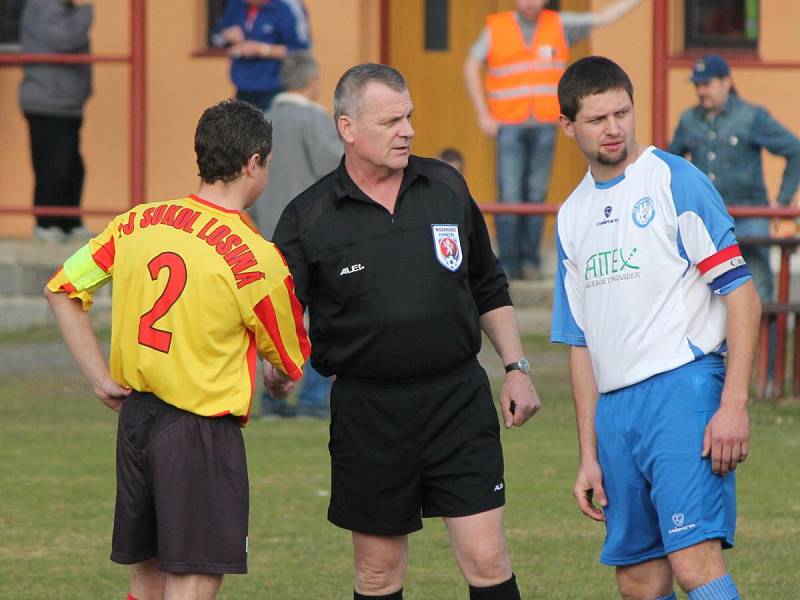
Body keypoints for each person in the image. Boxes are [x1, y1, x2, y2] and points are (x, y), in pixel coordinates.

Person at [273, 63, 541, 599]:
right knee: (378, 574)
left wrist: (516, 369)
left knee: (488, 560)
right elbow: (280, 314)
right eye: (391, 120)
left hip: (457, 400)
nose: (408, 130)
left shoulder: (444, 186)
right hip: (369, 414)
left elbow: (488, 284)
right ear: (348, 128)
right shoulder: (309, 217)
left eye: (409, 117)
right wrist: (276, 368)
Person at [44, 99, 310, 600]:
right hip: (200, 430)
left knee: (145, 578)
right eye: (267, 164)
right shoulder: (256, 258)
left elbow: (61, 289)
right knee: (191, 579)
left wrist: (100, 377)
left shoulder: (137, 222)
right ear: (254, 162)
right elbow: (290, 360)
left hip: (138, 421)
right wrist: (276, 379)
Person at [551, 56, 760, 600]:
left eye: (622, 112)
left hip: (682, 391)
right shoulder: (570, 216)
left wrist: (733, 403)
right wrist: (588, 453)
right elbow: (579, 343)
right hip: (616, 412)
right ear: (568, 125)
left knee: (695, 562)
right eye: (597, 119)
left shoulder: (674, 179)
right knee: (639, 579)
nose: (614, 127)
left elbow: (742, 295)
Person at [463, 0, 642, 280]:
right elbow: (471, 64)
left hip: (546, 123)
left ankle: (530, 262)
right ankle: (507, 264)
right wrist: (482, 113)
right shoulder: (497, 27)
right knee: (510, 194)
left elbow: (604, 18)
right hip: (509, 123)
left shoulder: (558, 24)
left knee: (536, 192)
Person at [668, 54, 800, 314]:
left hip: (750, 216)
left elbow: (795, 149)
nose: (701, 91)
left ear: (726, 82)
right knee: (705, 297)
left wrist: (781, 201)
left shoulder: (751, 116)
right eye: (697, 85)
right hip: (707, 220)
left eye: (707, 84)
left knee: (759, 295)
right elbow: (671, 165)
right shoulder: (688, 120)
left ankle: (766, 357)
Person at [254, 51, 342, 418]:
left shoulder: (263, 121)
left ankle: (272, 398)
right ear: (311, 81)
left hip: (267, 230)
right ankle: (312, 397)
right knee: (325, 313)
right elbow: (335, 166)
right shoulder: (314, 120)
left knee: (277, 317)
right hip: (313, 232)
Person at [19, 0, 94, 243]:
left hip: (66, 102)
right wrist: (86, 12)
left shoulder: (63, 9)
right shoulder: (44, 6)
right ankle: (46, 222)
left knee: (72, 165)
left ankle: (69, 221)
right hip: (47, 102)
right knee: (52, 164)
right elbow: (65, 39)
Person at [218, 0, 311, 111]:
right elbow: (218, 33)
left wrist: (262, 50)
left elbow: (300, 51)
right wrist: (227, 34)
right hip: (242, 87)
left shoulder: (288, 6)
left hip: (274, 88)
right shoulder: (236, 3)